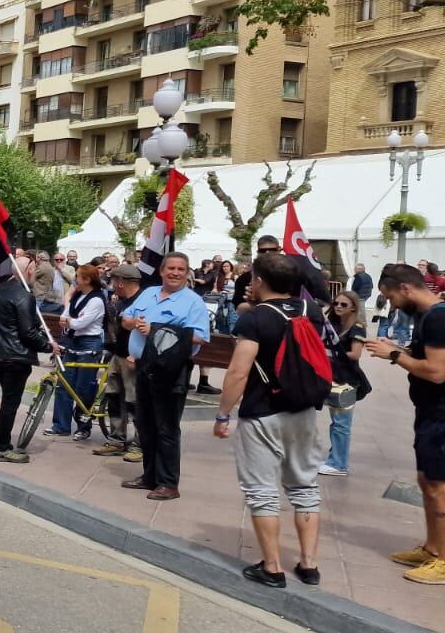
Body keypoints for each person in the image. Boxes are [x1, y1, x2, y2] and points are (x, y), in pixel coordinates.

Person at [213, 254, 327, 588]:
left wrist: (223, 414)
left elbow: (238, 372)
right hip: (304, 410)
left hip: (263, 412)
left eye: (253, 277)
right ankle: (309, 564)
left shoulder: (256, 319)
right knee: (305, 485)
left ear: (260, 281)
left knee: (261, 490)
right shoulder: (312, 311)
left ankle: (273, 567)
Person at [365, 264, 445, 584]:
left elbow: (436, 371)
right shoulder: (430, 317)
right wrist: (399, 351)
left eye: (390, 297)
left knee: (442, 487)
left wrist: (393, 355)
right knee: (427, 481)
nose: (392, 305)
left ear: (405, 288)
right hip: (430, 412)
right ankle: (433, 548)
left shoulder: (441, 317)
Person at [120, 252, 211, 500]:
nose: (175, 273)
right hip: (143, 366)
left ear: (187, 272)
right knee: (145, 425)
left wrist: (156, 329)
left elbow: (200, 337)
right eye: (170, 268)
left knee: (167, 428)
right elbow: (126, 317)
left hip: (170, 371)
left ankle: (169, 483)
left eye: (181, 269)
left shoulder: (193, 302)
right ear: (161, 271)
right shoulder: (149, 293)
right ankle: (150, 476)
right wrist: (131, 322)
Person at [0, 259, 53, 464]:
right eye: (34, 268)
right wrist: (49, 346)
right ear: (29, 270)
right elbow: (28, 332)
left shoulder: (0, 291)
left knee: (7, 402)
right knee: (10, 403)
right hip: (15, 356)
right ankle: (1, 447)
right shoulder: (24, 296)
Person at [47, 264, 108, 441]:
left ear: (87, 280)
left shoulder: (96, 300)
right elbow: (65, 316)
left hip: (89, 343)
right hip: (73, 342)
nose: (75, 280)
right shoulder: (78, 296)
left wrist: (71, 322)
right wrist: (70, 321)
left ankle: (83, 426)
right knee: (64, 383)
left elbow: (82, 323)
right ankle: (61, 425)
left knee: (84, 387)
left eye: (78, 277)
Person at [318, 290, 371, 477]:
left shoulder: (356, 327)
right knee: (337, 422)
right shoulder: (332, 325)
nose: (338, 307)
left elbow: (355, 354)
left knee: (341, 423)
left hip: (347, 380)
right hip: (331, 377)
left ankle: (339, 464)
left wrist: (329, 354)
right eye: (336, 303)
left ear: (353, 308)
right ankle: (335, 460)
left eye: (343, 305)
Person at [94, 264, 144, 460]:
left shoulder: (141, 301)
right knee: (114, 397)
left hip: (133, 358)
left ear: (121, 282)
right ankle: (116, 439)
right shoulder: (120, 301)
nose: (112, 284)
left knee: (134, 402)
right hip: (118, 355)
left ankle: (139, 444)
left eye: (114, 280)